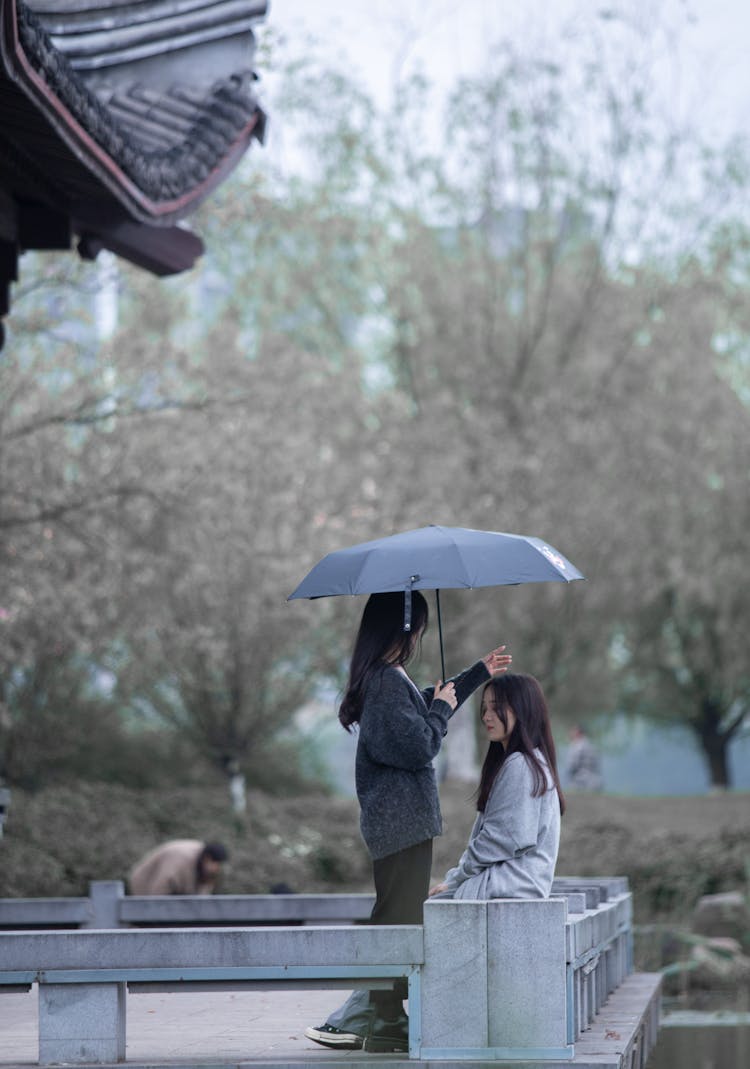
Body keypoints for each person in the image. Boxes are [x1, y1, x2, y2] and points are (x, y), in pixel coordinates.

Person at [305, 590, 511, 1053]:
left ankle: (384, 1016)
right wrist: (437, 709)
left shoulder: (388, 679)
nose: (420, 635)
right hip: (401, 822)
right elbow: (419, 743)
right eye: (416, 626)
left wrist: (476, 673)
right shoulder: (383, 682)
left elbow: (427, 710)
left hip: (404, 822)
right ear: (402, 628)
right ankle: (381, 1017)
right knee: (397, 918)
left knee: (401, 915)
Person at [429, 673, 565, 901]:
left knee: (432, 905)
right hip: (511, 885)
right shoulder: (528, 762)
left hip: (509, 887)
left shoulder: (521, 765)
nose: (487, 716)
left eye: (497, 707)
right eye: (485, 708)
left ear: (523, 710)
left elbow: (501, 838)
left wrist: (456, 879)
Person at [128, 839, 229, 895]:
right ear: (207, 859)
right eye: (215, 864)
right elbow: (159, 888)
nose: (216, 869)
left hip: (173, 891)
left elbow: (202, 895)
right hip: (145, 883)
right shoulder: (180, 859)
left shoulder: (205, 867)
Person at [566, 724, 604, 792]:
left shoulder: (578, 745)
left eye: (573, 731)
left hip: (582, 782)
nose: (570, 733)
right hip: (595, 781)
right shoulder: (590, 745)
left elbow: (573, 765)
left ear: (578, 733)